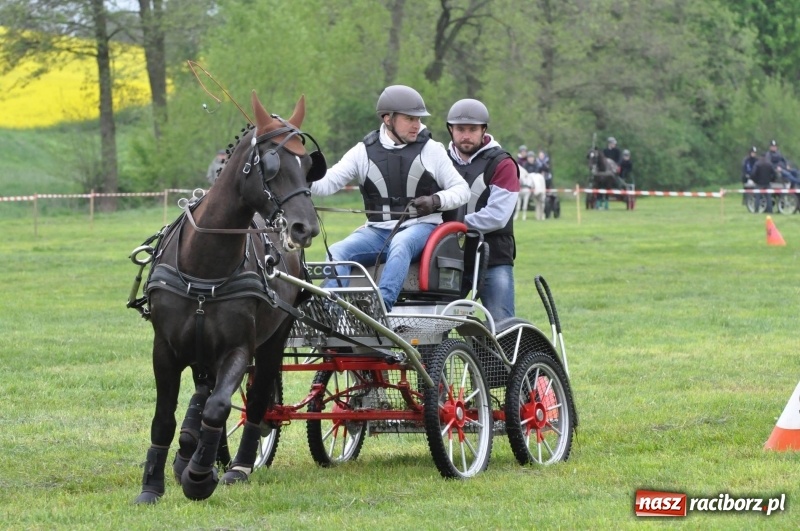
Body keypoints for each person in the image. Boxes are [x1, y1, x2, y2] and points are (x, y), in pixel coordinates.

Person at [310, 85, 470, 312]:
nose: (417, 125)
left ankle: (380, 308)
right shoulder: (362, 151)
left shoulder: (432, 150)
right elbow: (326, 184)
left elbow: (462, 190)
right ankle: (330, 312)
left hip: (420, 228)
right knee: (336, 251)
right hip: (376, 232)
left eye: (418, 119)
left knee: (401, 243)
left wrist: (435, 201)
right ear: (388, 118)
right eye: (409, 119)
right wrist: (300, 172)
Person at [445, 98, 519, 321]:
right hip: (448, 257)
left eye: (472, 129)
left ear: (483, 129)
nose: (466, 135)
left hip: (493, 256)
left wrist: (451, 226)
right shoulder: (440, 161)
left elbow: (497, 216)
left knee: (502, 325)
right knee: (433, 327)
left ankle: (501, 356)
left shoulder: (502, 163)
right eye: (460, 129)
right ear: (451, 130)